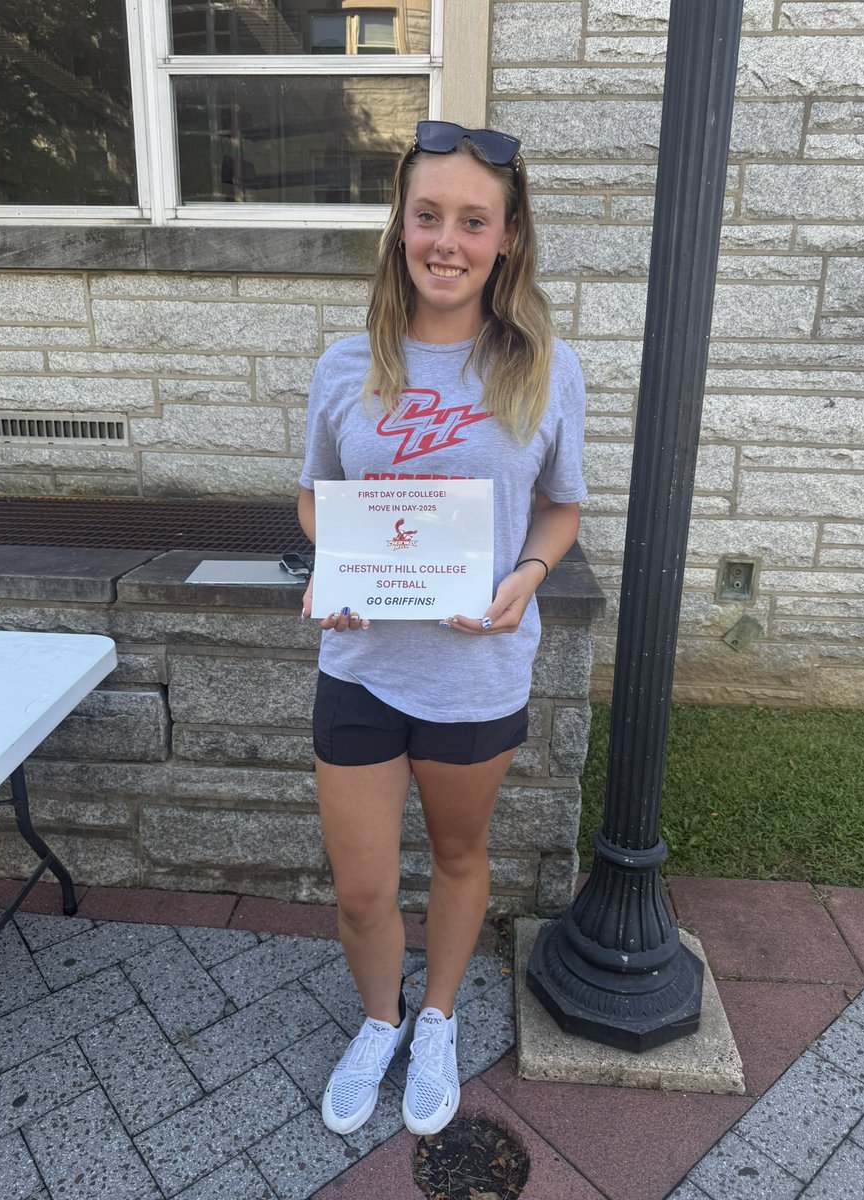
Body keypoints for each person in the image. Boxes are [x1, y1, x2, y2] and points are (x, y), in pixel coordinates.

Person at [297, 120, 587, 1138]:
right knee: (365, 892)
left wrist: (531, 574)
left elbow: (561, 506)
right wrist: (336, 565)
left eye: (474, 220)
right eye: (429, 216)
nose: (448, 240)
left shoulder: (547, 368)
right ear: (401, 228)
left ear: (508, 237)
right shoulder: (345, 365)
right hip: (364, 665)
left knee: (461, 859)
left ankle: (438, 1015)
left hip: (476, 674)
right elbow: (314, 500)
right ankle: (378, 1020)